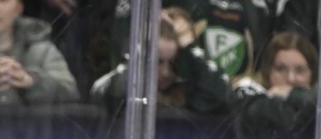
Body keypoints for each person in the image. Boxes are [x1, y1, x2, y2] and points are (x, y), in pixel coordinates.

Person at [91, 8, 231, 115]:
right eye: (157, 62)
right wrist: (141, 52)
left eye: (172, 63)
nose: (165, 72)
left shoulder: (187, 92)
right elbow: (106, 92)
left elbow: (220, 95)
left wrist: (190, 47)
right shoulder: (122, 85)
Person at [232, 31, 317, 136]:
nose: (291, 79)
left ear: (312, 74)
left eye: (300, 70)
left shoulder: (320, 104)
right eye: (281, 69)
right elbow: (285, 121)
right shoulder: (247, 91)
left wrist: (292, 94)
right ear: (267, 71)